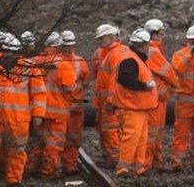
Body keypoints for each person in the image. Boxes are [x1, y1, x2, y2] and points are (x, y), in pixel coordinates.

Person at [0, 33, 46, 185]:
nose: (10, 55)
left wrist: (38, 114)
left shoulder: (29, 67)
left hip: (18, 118)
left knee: (16, 150)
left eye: (14, 53)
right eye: (8, 52)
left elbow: (39, 92)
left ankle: (13, 180)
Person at [29, 32, 79, 178]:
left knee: (38, 140)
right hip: (57, 111)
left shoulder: (33, 62)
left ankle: (32, 168)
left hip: (37, 109)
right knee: (54, 142)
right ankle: (47, 172)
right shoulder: (63, 64)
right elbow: (70, 87)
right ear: (58, 46)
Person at [111, 29, 159, 176]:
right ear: (143, 45)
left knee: (140, 139)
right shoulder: (130, 59)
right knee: (131, 138)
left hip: (138, 108)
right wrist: (144, 86)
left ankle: (137, 167)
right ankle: (124, 168)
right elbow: (125, 79)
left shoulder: (134, 58)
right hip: (131, 108)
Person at [170, 25, 194, 171]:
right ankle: (177, 161)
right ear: (187, 40)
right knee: (181, 133)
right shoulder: (179, 54)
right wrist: (189, 54)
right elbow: (177, 68)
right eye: (192, 40)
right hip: (185, 102)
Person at [143, 19, 178, 172]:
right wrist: (176, 84)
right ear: (154, 34)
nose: (163, 36)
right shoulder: (153, 51)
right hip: (154, 99)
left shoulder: (150, 49)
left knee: (156, 132)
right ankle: (147, 164)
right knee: (152, 132)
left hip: (157, 99)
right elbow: (168, 72)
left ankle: (156, 163)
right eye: (161, 33)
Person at [90, 24, 127, 167]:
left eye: (102, 38)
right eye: (98, 39)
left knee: (111, 129)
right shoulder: (102, 52)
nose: (99, 41)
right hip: (102, 101)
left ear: (111, 37)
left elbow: (114, 80)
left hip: (111, 102)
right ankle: (108, 157)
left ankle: (114, 158)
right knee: (104, 129)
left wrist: (111, 101)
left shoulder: (116, 53)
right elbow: (97, 76)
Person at [59, 30, 89, 175]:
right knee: (56, 137)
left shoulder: (80, 62)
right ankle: (52, 165)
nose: (68, 48)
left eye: (70, 45)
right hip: (60, 104)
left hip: (73, 105)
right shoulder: (56, 61)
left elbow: (85, 81)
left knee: (73, 136)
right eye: (66, 46)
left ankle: (69, 165)